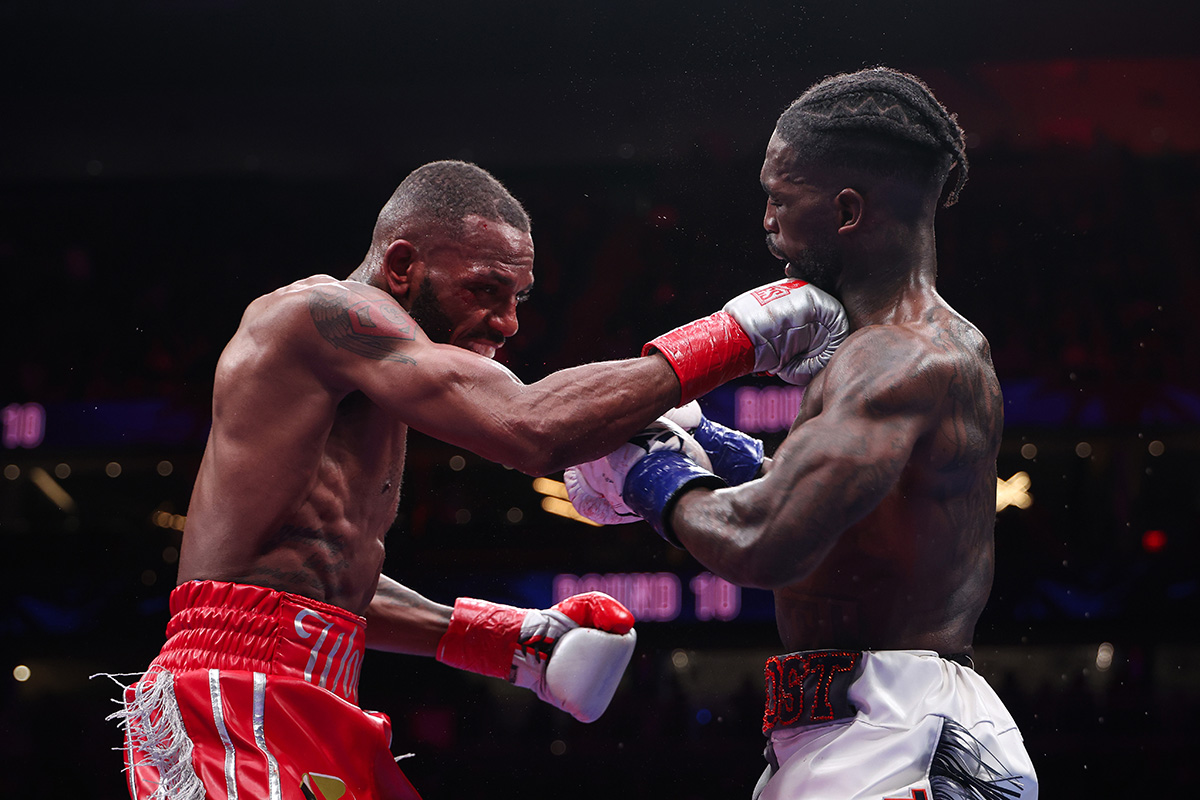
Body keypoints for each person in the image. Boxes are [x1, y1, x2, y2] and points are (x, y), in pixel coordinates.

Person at [105, 159, 848, 800]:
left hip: (316, 695)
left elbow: (310, 583)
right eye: (486, 289)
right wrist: (736, 335)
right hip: (230, 700)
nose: (507, 322)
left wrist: (507, 643)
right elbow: (530, 429)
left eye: (517, 297)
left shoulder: (366, 389)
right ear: (402, 266)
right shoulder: (321, 316)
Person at [567, 68, 1039, 799]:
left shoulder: (900, 356)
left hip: (896, 729)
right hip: (861, 723)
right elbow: (853, 517)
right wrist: (725, 453)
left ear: (847, 210)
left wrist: (649, 471)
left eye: (779, 198)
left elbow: (768, 539)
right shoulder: (894, 350)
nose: (766, 222)